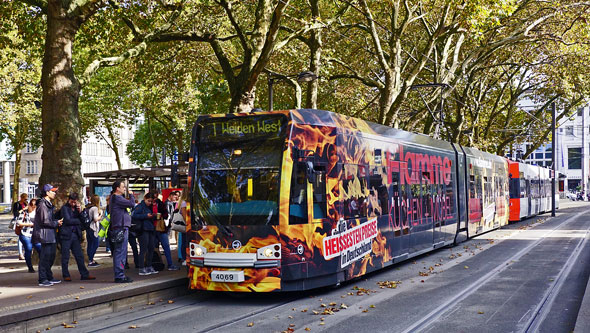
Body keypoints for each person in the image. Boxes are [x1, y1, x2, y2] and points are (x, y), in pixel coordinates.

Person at [59, 192, 96, 281]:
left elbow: (84, 220)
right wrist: (78, 221)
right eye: (72, 201)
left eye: (75, 202)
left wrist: (80, 212)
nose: (73, 204)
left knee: (79, 256)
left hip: (75, 235)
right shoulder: (65, 208)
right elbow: (67, 220)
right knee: (65, 256)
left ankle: (84, 274)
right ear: (69, 200)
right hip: (66, 235)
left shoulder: (77, 209)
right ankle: (66, 275)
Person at [32, 184, 63, 287]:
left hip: (49, 233)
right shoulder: (42, 204)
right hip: (45, 234)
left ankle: (49, 276)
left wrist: (55, 221)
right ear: (47, 192)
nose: (54, 193)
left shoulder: (47, 203)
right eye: (52, 191)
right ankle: (42, 278)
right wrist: (56, 223)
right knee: (45, 257)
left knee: (50, 256)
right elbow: (44, 221)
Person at [109, 180, 135, 283]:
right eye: (123, 187)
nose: (125, 189)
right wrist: (131, 195)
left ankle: (120, 274)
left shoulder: (115, 198)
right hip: (120, 227)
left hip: (120, 226)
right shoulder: (117, 198)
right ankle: (119, 275)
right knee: (120, 251)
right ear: (117, 188)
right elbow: (131, 204)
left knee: (120, 251)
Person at [132, 192, 158, 275]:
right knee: (143, 249)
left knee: (151, 248)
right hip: (143, 229)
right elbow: (134, 215)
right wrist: (146, 216)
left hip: (150, 229)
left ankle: (149, 266)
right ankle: (142, 267)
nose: (149, 203)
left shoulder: (150, 207)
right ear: (145, 199)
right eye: (148, 201)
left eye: (151, 201)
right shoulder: (140, 206)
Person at [153, 190, 179, 271]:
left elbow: (165, 214)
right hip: (158, 229)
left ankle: (167, 264)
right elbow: (166, 214)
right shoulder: (161, 203)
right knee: (162, 247)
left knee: (162, 247)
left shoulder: (160, 203)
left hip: (158, 228)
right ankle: (163, 264)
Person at [17, 199, 41, 273]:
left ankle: (42, 267)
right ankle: (30, 267)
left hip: (35, 235)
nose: (33, 207)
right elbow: (19, 223)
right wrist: (30, 224)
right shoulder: (24, 213)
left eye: (35, 206)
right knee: (29, 249)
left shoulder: (38, 213)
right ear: (29, 205)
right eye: (32, 205)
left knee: (40, 249)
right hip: (25, 234)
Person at [86, 194, 102, 267]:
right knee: (95, 244)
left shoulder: (88, 207)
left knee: (90, 244)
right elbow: (95, 219)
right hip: (93, 228)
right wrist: (100, 215)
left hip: (88, 228)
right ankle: (91, 260)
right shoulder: (95, 208)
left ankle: (90, 259)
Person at [12, 193, 28, 260]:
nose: (25, 200)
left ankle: (25, 252)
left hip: (26, 221)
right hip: (19, 221)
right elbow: (15, 213)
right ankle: (20, 253)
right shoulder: (17, 204)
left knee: (26, 236)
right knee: (20, 237)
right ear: (21, 198)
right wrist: (23, 209)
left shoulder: (26, 203)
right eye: (25, 198)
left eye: (26, 199)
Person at [176, 189, 189, 266]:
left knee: (184, 241)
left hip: (185, 225)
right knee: (185, 242)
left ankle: (184, 257)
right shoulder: (184, 203)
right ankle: (184, 258)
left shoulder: (182, 202)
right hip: (186, 225)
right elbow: (184, 216)